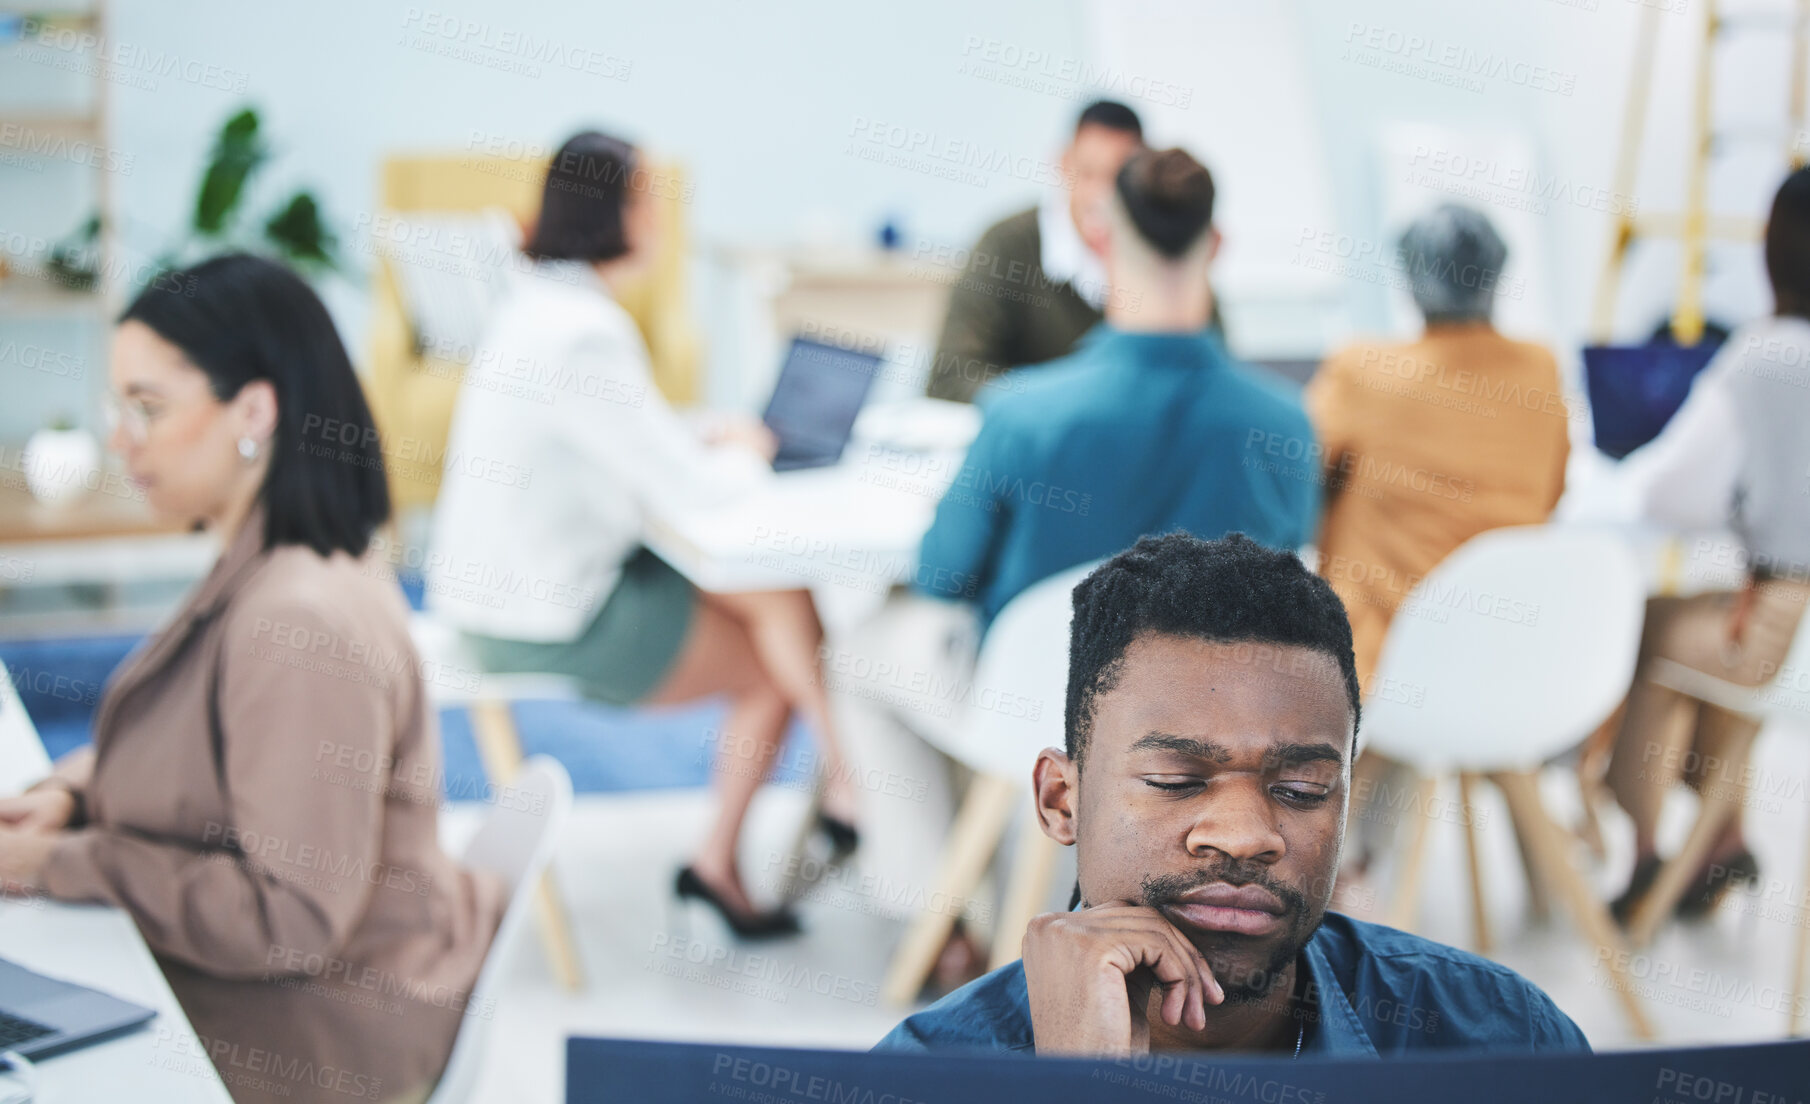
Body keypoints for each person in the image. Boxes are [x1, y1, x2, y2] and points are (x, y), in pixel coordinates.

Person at [0, 254, 504, 1104]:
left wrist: (61, 863)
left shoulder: (295, 621)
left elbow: (290, 921)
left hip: (321, 1026)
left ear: (255, 410)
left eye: (148, 409)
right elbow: (202, 749)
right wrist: (73, 796)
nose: (122, 440)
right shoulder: (278, 554)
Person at [831, 146, 1319, 989]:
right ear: (1218, 245)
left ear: (1100, 240)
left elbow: (945, 574)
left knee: (859, 650)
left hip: (1044, 710)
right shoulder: (1284, 423)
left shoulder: (1022, 412)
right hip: (1211, 734)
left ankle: (945, 924)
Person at [875, 533, 1589, 1056]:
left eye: (1303, 789)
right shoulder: (931, 1074)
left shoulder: (1498, 1041)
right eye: (1176, 782)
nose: (1245, 834)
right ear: (1061, 800)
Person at [427, 130, 856, 937]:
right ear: (615, 212)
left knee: (779, 602)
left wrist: (701, 436)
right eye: (651, 197)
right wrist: (753, 453)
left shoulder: (543, 309)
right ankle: (833, 792)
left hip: (501, 595)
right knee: (778, 654)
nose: (663, 219)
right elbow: (684, 491)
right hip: (543, 622)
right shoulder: (582, 333)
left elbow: (624, 444)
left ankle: (823, 793)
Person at [1304, 204, 1571, 881]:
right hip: (1515, 658)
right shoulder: (1541, 369)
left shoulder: (1363, 370)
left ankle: (1347, 860)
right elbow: (1550, 495)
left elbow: (1297, 478)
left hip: (1384, 668)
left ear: (1412, 282)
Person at [1603, 166, 1810, 921]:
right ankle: (1720, 835)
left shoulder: (1771, 355)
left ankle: (1650, 849)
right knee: (1700, 629)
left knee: (1657, 628)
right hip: (1778, 615)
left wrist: (1748, 507)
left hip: (1782, 618)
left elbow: (1672, 493)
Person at [924, 100, 1223, 402]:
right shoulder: (1007, 243)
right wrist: (1060, 409)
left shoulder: (1161, 247)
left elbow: (1214, 367)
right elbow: (952, 373)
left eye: (1116, 179)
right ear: (1064, 164)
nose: (1100, 196)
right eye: (1088, 174)